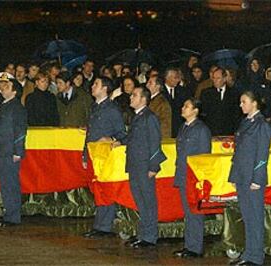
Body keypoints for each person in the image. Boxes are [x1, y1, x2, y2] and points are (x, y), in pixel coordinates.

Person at [116, 86, 167, 248]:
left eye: (135, 95)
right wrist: (120, 141)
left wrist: (153, 166)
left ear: (144, 99)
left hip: (144, 166)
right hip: (135, 165)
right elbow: (133, 138)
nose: (131, 98)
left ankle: (150, 237)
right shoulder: (137, 117)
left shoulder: (149, 117)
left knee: (148, 201)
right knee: (140, 200)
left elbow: (155, 143)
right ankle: (143, 234)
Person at [228, 90, 271, 266]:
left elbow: (262, 155)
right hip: (242, 175)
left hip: (252, 177)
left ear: (254, 103)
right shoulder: (245, 123)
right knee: (247, 216)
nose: (241, 105)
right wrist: (234, 174)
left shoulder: (261, 125)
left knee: (254, 216)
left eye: (244, 101)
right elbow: (238, 152)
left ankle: (256, 255)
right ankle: (248, 252)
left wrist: (257, 179)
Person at [81, 76, 127, 239]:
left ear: (105, 88)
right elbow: (89, 134)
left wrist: (113, 140)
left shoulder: (112, 109)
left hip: (106, 157)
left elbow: (122, 134)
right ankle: (99, 224)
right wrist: (84, 154)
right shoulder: (95, 107)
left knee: (105, 191)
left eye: (96, 84)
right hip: (94, 155)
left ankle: (104, 227)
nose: (92, 86)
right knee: (98, 190)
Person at [172, 98, 211, 258]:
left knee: (194, 212)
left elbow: (203, 156)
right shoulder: (184, 127)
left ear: (195, 111)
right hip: (183, 174)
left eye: (186, 106)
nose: (183, 108)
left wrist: (199, 178)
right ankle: (189, 245)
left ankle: (195, 247)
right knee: (188, 212)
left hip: (193, 176)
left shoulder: (201, 130)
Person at [0, 72, 27, 227]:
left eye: (7, 86)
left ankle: (13, 217)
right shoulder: (4, 106)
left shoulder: (17, 107)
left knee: (11, 184)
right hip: (2, 150)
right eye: (2, 86)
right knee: (5, 184)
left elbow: (20, 131)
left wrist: (18, 151)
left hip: (10, 151)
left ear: (15, 91)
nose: (2, 89)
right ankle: (9, 214)